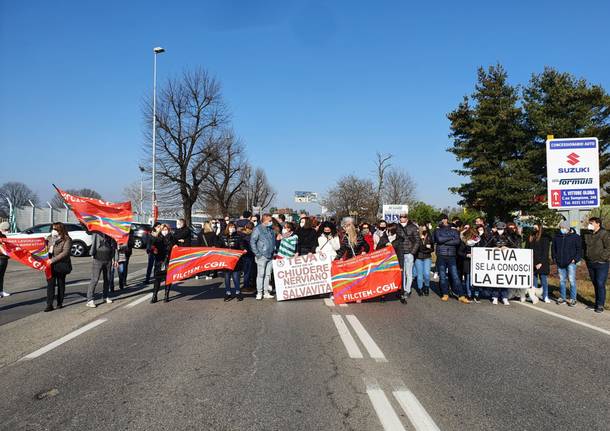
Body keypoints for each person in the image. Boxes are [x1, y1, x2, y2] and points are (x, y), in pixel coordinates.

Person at [433, 214, 469, 304]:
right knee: (442, 276)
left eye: (442, 219)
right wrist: (450, 238)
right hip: (441, 254)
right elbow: (439, 240)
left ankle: (461, 295)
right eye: (440, 219)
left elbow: (457, 241)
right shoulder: (437, 230)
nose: (441, 221)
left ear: (446, 219)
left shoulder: (453, 229)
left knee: (455, 275)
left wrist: (445, 240)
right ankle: (445, 293)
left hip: (452, 255)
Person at [484, 221, 520, 305]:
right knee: (496, 279)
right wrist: (494, 248)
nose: (500, 230)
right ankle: (495, 297)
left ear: (504, 229)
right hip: (495, 262)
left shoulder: (508, 237)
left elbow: (516, 246)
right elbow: (486, 247)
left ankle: (504, 297)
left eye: (502, 229)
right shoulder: (493, 236)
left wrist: (507, 247)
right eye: (499, 229)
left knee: (504, 279)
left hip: (506, 262)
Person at [551, 220, 581, 306]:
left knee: (571, 281)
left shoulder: (575, 237)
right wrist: (554, 258)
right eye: (560, 227)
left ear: (567, 228)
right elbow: (553, 248)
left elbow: (579, 249)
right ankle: (563, 298)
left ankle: (573, 299)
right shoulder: (557, 237)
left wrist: (575, 259)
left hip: (571, 262)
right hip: (560, 262)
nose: (561, 229)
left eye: (563, 227)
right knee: (562, 281)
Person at [44, 222, 73, 311]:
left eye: (55, 229)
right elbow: (44, 249)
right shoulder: (49, 238)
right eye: (52, 229)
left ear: (60, 229)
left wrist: (52, 260)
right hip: (49, 265)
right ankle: (49, 304)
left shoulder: (67, 239)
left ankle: (59, 302)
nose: (53, 231)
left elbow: (65, 253)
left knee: (61, 283)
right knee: (50, 285)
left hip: (61, 264)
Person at [583, 217, 609, 313]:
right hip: (590, 263)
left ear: (598, 224)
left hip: (601, 263)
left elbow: (608, 248)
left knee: (600, 283)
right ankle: (596, 303)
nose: (590, 224)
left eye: (592, 223)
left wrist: (602, 257)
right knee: (595, 284)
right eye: (589, 223)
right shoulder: (588, 234)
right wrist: (585, 257)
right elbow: (584, 247)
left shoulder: (604, 234)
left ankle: (600, 305)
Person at [86, 232, 117, 308]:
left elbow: (114, 247)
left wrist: (115, 259)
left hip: (108, 259)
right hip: (97, 259)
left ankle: (105, 296)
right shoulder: (97, 233)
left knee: (108, 279)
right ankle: (90, 299)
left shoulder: (112, 233)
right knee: (95, 279)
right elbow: (88, 231)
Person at [250, 213, 276, 300]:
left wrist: (274, 251)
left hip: (270, 255)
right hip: (261, 256)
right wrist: (257, 254)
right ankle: (259, 292)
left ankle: (266, 292)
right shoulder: (257, 229)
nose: (271, 222)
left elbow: (273, 241)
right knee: (261, 274)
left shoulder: (270, 229)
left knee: (267, 275)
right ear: (264, 220)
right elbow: (252, 242)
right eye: (270, 220)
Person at [380, 223, 406, 303]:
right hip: (385, 262)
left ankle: (401, 294)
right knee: (384, 279)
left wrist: (401, 266)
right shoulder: (384, 238)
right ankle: (383, 295)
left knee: (398, 278)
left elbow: (400, 253)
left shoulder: (399, 239)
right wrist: (385, 244)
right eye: (387, 230)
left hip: (395, 262)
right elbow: (378, 248)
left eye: (390, 230)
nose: (388, 231)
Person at [396, 212, 419, 300]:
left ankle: (407, 290)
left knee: (408, 273)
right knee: (402, 272)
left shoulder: (413, 227)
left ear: (407, 218)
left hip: (409, 253)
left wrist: (412, 252)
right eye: (400, 217)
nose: (402, 218)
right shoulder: (397, 227)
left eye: (403, 217)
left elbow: (417, 241)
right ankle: (402, 289)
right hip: (400, 253)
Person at [220, 222, 246, 301]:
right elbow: (219, 246)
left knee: (236, 278)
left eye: (233, 227)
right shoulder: (223, 236)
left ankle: (238, 292)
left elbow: (241, 245)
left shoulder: (239, 237)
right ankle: (228, 293)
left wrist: (243, 249)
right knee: (227, 278)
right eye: (231, 227)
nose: (232, 228)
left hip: (236, 261)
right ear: (228, 228)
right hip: (226, 260)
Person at [526, 223, 550, 304]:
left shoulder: (544, 237)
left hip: (542, 263)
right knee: (534, 281)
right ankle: (533, 296)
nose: (534, 228)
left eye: (535, 226)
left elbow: (545, 252)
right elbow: (527, 248)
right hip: (533, 262)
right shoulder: (531, 237)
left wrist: (540, 263)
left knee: (543, 280)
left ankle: (545, 296)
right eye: (533, 226)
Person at [150, 224, 174, 303]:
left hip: (169, 261)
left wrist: (176, 246)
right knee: (157, 279)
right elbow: (151, 245)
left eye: (166, 229)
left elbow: (176, 246)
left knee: (168, 279)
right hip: (159, 261)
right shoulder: (157, 238)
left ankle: (166, 295)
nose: (165, 231)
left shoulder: (172, 237)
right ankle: (154, 296)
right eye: (163, 229)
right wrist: (153, 249)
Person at [458, 227, 479, 302]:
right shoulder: (465, 242)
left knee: (477, 279)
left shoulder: (478, 242)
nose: (474, 236)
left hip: (477, 263)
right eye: (473, 234)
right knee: (468, 278)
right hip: (467, 262)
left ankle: (476, 294)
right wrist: (467, 255)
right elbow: (460, 252)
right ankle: (469, 294)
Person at [414, 224, 434, 296]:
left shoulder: (429, 236)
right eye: (423, 228)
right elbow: (417, 248)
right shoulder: (416, 237)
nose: (424, 230)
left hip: (427, 257)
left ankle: (426, 287)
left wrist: (427, 249)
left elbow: (432, 248)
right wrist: (425, 246)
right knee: (419, 275)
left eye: (425, 228)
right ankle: (419, 288)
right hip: (418, 257)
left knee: (427, 274)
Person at [240, 222, 256, 293]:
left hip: (244, 255)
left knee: (246, 271)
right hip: (250, 255)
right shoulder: (251, 236)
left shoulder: (241, 234)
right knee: (249, 271)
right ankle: (248, 286)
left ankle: (246, 285)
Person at [0, 222, 10, 298]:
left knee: (1, 275)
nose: (7, 231)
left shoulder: (4, 236)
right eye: (6, 229)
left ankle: (1, 291)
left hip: (4, 258)